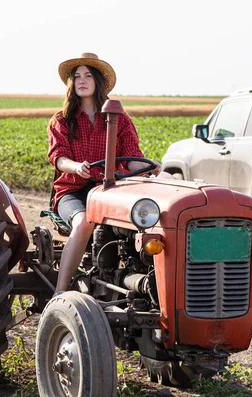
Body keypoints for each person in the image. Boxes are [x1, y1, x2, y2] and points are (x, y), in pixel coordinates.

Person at [47, 52, 166, 295]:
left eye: (88, 75)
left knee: (149, 219)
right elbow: (58, 158)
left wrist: (150, 169)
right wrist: (76, 166)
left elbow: (132, 159)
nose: (81, 80)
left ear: (98, 81)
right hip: (74, 191)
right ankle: (59, 292)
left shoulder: (119, 120)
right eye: (76, 76)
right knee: (84, 222)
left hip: (110, 190)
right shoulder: (62, 120)